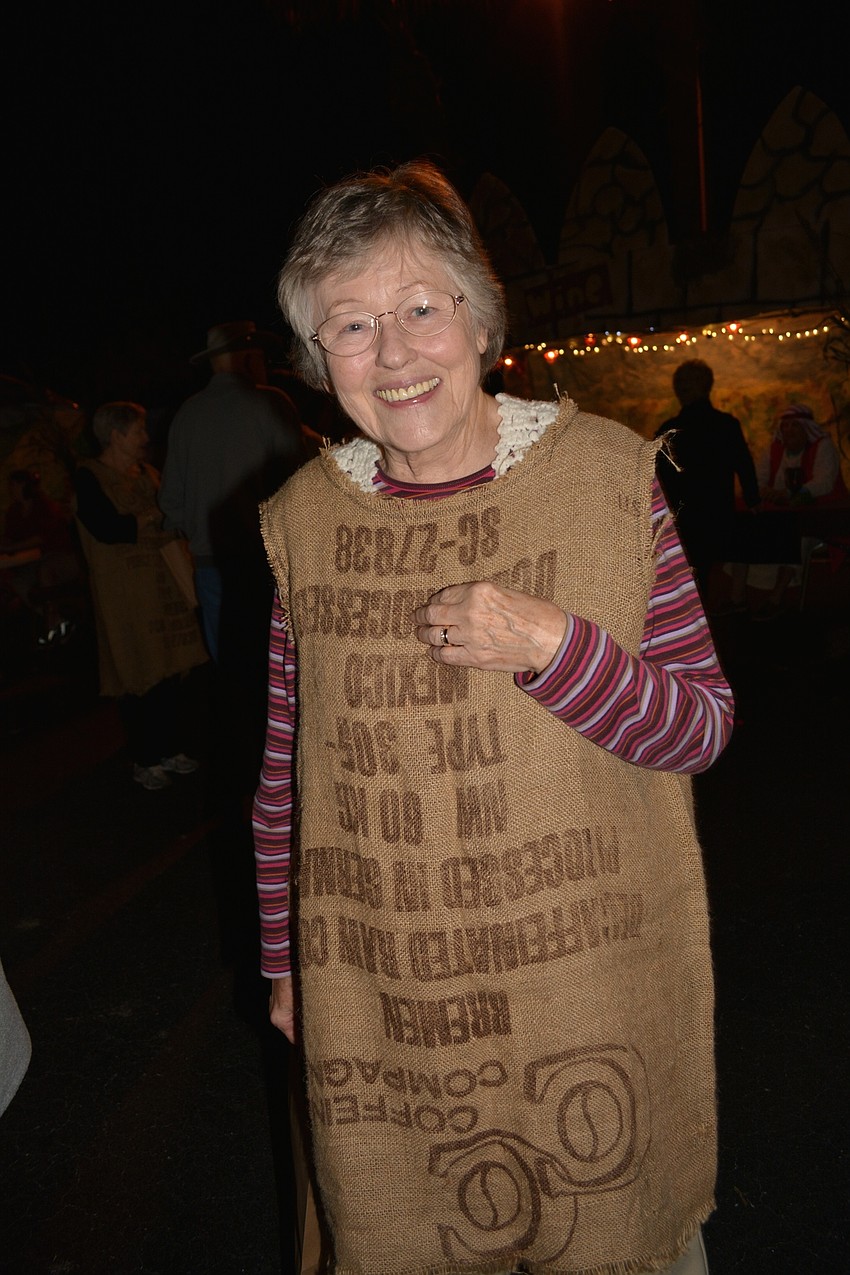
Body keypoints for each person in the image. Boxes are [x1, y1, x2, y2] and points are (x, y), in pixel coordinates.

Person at [253, 161, 734, 1275]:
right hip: (388, 1010)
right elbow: (287, 781)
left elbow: (701, 726)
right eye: (351, 327)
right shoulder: (300, 525)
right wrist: (287, 966)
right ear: (320, 363)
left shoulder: (606, 481)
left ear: (478, 321)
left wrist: (556, 651)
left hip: (590, 1001)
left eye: (421, 309)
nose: (393, 353)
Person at [158, 320, 309, 667]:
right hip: (266, 563)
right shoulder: (270, 405)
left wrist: (197, 529)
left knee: (228, 662)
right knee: (275, 667)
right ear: (247, 359)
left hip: (211, 564)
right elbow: (301, 485)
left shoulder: (186, 414)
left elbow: (170, 501)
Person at [75, 401, 208, 790]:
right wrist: (154, 517)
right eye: (138, 432)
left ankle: (169, 748)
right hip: (125, 597)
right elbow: (108, 528)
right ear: (115, 436)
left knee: (170, 672)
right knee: (138, 673)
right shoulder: (89, 477)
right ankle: (145, 756)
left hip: (163, 589)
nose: (145, 439)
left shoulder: (147, 474)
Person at [726, 403, 847, 618]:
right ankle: (737, 599)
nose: (789, 430)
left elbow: (824, 482)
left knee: (796, 537)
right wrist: (765, 492)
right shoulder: (774, 449)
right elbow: (757, 479)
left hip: (818, 519)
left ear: (807, 428)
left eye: (795, 426)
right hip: (779, 516)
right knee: (743, 530)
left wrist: (792, 495)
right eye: (786, 426)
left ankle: (777, 598)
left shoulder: (822, 446)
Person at [655, 359, 759, 600]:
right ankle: (735, 606)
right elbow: (744, 466)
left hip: (684, 518)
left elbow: (657, 476)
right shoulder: (726, 425)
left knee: (692, 579)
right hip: (719, 512)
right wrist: (753, 500)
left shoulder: (669, 429)